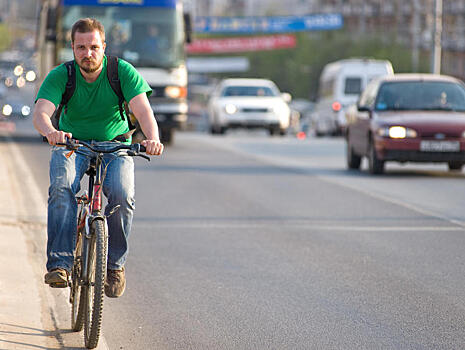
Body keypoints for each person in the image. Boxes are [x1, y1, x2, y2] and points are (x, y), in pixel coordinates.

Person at [33, 18, 164, 298]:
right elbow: (41, 112)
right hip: (72, 143)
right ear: (72, 48)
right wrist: (51, 131)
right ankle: (60, 264)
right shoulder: (62, 75)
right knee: (61, 188)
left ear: (104, 47)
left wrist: (152, 138)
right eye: (81, 47)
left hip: (116, 145)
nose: (87, 53)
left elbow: (143, 111)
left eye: (94, 46)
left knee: (122, 193)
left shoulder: (121, 72)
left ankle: (115, 266)